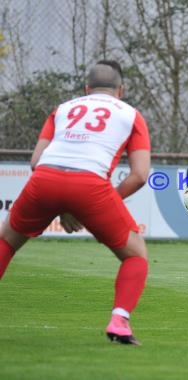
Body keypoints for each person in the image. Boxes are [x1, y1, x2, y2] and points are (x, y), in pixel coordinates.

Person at [0, 60, 151, 344]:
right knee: (135, 255)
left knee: (6, 241)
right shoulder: (131, 115)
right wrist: (96, 205)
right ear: (121, 90)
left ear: (86, 89)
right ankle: (119, 321)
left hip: (43, 178)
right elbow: (140, 175)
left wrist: (65, 205)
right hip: (91, 184)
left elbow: (36, 161)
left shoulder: (63, 109)